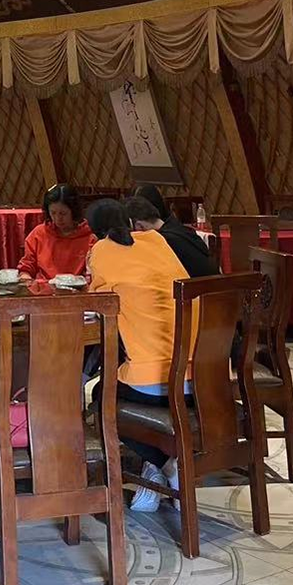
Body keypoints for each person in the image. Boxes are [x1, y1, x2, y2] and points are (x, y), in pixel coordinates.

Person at [86, 198, 190, 511]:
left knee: (101, 397)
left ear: (95, 232)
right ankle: (163, 466)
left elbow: (97, 304)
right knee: (121, 380)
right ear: (131, 222)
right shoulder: (157, 241)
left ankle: (163, 465)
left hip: (153, 381)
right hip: (200, 378)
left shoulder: (102, 250)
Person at [128, 184, 217, 278]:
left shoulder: (161, 241)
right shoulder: (183, 229)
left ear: (139, 226)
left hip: (195, 285)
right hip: (217, 283)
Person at [17, 184, 94, 282]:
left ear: (74, 211)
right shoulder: (39, 234)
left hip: (77, 289)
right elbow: (26, 267)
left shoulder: (89, 237)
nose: (58, 219)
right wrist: (25, 277)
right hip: (43, 288)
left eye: (63, 213)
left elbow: (93, 273)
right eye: (53, 213)